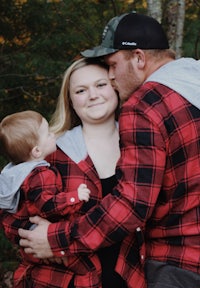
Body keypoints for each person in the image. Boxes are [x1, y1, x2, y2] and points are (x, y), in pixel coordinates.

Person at [18, 12, 200, 288]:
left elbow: (131, 206)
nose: (112, 76)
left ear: (139, 58)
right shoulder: (192, 84)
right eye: (81, 90)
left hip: (174, 264)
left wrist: (56, 240)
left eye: (112, 67)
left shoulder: (144, 106)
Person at [1, 57, 125, 288]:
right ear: (70, 100)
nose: (93, 95)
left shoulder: (142, 143)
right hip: (63, 279)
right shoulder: (48, 152)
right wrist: (34, 237)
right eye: (81, 90)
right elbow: (8, 208)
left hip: (130, 274)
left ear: (115, 86)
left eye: (100, 85)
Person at [0, 110, 95, 287]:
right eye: (48, 134)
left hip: (27, 238)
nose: (53, 135)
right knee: (87, 269)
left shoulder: (15, 173)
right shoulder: (41, 174)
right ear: (37, 151)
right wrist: (75, 197)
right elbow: (47, 205)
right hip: (43, 236)